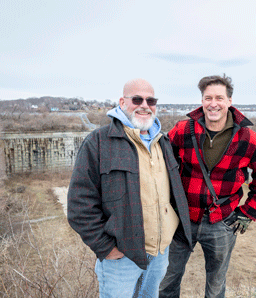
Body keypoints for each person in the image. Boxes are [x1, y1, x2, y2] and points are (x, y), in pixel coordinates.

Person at [67, 78, 192, 298]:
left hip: (159, 253)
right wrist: (105, 247)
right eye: (137, 99)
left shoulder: (163, 143)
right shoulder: (99, 142)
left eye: (151, 100)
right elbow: (79, 204)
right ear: (122, 102)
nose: (145, 105)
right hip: (121, 257)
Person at [159, 74, 256, 298]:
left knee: (215, 286)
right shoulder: (183, 130)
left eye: (219, 98)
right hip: (181, 219)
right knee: (168, 280)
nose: (213, 103)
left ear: (229, 101)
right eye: (208, 97)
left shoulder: (248, 138)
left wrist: (248, 212)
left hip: (221, 221)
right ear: (202, 101)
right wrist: (166, 205)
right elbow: (163, 165)